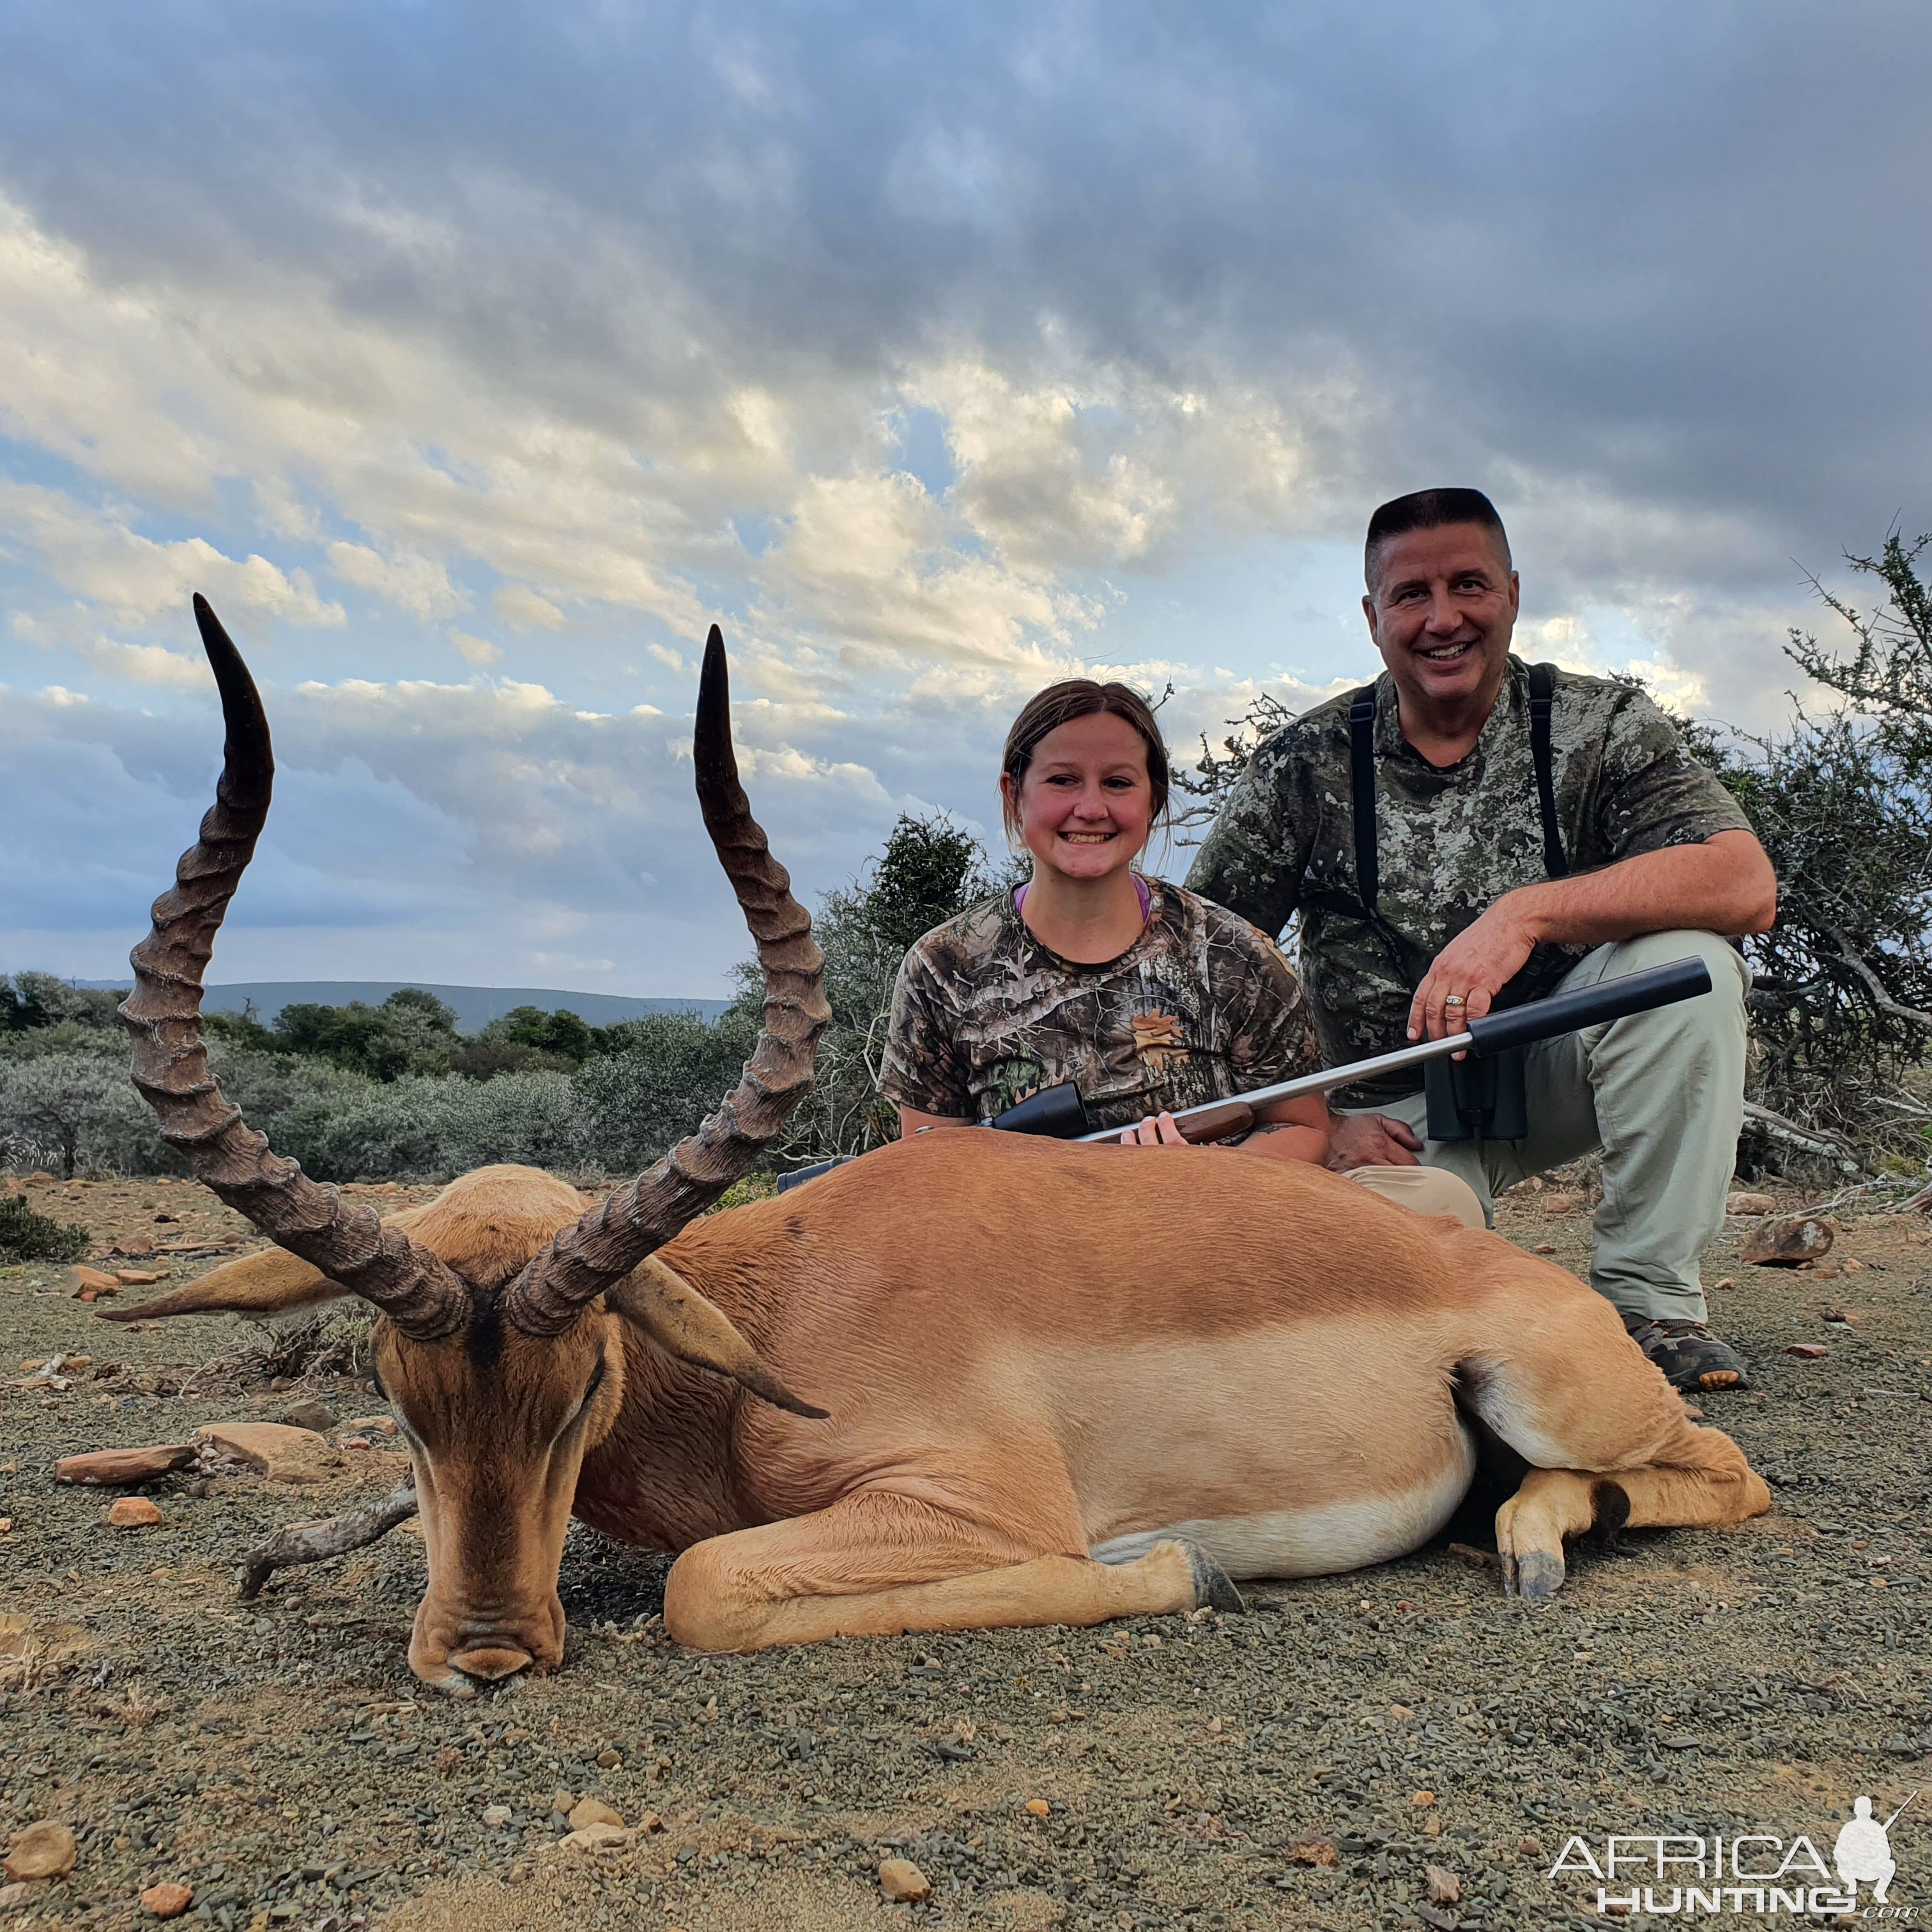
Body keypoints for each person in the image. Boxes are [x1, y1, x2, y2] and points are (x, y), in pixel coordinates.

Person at [1186, 487, 1779, 1393]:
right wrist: (1316, 1125)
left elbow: (1742, 882)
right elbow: (1197, 968)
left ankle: (1650, 1305)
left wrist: (1525, 914)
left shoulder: (1601, 723)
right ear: (1372, 616)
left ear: (1512, 590)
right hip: (1384, 1123)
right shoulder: (1300, 764)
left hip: (1550, 1080)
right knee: (1386, 1306)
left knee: (1692, 969)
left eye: (1468, 585)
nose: (1443, 620)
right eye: (1411, 596)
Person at [879, 677, 1483, 1227]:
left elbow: (1302, 1129)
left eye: (1117, 783)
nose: (1091, 808)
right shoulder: (941, 968)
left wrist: (1190, 1184)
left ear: (1154, 801)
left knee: (1441, 1205)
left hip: (1219, 1228)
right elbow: (934, 1173)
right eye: (1063, 780)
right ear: (1015, 795)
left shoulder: (1234, 951)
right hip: (1036, 1246)